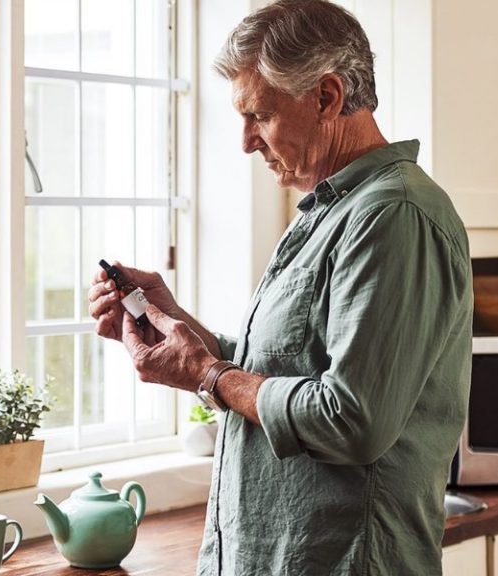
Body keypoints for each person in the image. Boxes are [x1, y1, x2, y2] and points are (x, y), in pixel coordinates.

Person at [88, 1, 473, 574]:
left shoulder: (392, 217)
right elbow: (286, 370)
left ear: (326, 97)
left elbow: (350, 418)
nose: (246, 142)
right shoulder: (330, 212)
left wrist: (207, 374)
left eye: (260, 115)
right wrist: (179, 331)